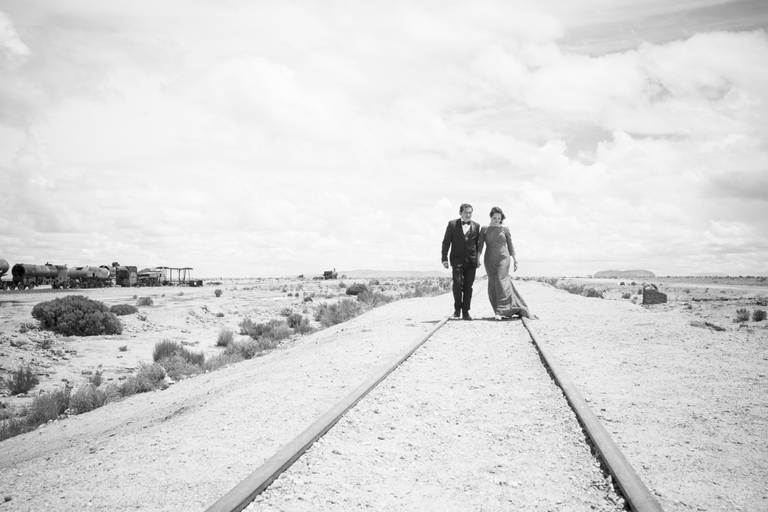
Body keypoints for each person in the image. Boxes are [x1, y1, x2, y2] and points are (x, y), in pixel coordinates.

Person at [479, 206, 532, 320]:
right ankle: (500, 309)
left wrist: (515, 259)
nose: (497, 220)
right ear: (491, 217)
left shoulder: (505, 230)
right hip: (489, 259)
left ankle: (501, 311)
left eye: (499, 218)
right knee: (493, 283)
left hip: (504, 258)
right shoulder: (484, 229)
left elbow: (510, 245)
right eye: (494, 218)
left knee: (500, 280)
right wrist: (477, 258)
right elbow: (480, 245)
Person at [441, 203, 481, 320]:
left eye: (470, 213)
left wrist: (478, 259)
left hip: (471, 261)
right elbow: (446, 242)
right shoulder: (452, 224)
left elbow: (478, 245)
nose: (468, 215)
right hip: (456, 260)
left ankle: (466, 311)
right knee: (457, 285)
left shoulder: (476, 226)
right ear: (460, 213)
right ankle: (457, 309)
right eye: (466, 212)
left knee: (468, 287)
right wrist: (444, 258)